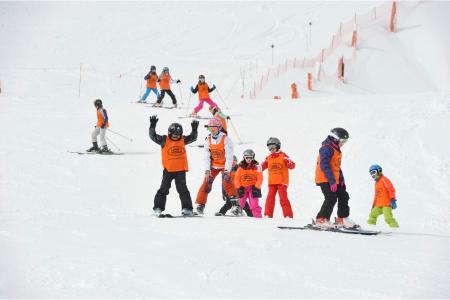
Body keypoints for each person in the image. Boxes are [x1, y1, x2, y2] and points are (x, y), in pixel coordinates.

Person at [149, 115, 199, 216]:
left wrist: (194, 129)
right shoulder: (164, 140)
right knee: (164, 189)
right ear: (169, 133)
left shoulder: (183, 140)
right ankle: (158, 208)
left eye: (178, 135)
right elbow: (153, 137)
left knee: (182, 189)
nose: (176, 137)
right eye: (174, 135)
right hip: (168, 170)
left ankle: (187, 208)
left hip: (180, 171)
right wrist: (152, 126)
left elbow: (193, 138)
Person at [314, 128, 356, 228]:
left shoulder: (336, 150)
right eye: (342, 141)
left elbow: (337, 167)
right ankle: (321, 219)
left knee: (344, 195)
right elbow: (324, 165)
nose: (343, 144)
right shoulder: (326, 148)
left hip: (334, 179)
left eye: (345, 141)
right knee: (331, 198)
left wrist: (341, 181)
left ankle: (342, 218)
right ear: (335, 139)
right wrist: (332, 181)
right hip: (325, 178)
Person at [195, 118, 234, 215]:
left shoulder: (226, 139)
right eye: (210, 128)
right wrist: (207, 170)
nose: (212, 130)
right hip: (214, 166)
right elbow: (206, 156)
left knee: (227, 182)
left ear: (219, 128)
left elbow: (229, 156)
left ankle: (236, 206)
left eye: (214, 128)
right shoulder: (208, 140)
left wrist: (227, 170)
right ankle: (200, 206)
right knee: (206, 182)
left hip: (224, 165)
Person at [261, 137, 295, 218]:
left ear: (278, 146)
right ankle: (267, 215)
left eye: (272, 146)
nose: (271, 149)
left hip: (282, 182)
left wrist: (289, 163)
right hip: (272, 182)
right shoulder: (268, 158)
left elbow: (292, 165)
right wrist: (255, 168)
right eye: (269, 147)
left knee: (283, 199)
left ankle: (288, 216)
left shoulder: (283, 156)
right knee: (270, 199)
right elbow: (261, 167)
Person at [234, 149, 263, 218]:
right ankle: (238, 214)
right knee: (240, 203)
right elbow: (237, 179)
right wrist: (239, 187)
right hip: (243, 188)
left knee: (254, 205)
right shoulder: (240, 167)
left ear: (253, 157)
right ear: (244, 157)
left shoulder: (257, 167)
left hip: (253, 188)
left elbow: (260, 178)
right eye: (247, 157)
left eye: (251, 157)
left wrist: (256, 187)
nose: (249, 159)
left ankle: (257, 217)